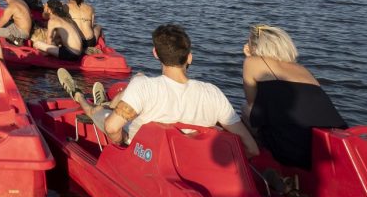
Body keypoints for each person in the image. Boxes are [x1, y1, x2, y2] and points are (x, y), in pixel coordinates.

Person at [58, 24, 259, 158]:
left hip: (145, 155)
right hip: (191, 159)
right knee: (135, 84)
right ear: (189, 57)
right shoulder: (213, 93)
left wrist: (121, 144)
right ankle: (108, 103)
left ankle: (81, 99)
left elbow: (111, 128)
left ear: (156, 54)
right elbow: (251, 148)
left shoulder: (146, 86)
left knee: (101, 112)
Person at [242, 24, 346, 169]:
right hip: (329, 146)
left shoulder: (252, 62)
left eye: (249, 42)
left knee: (246, 110)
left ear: (256, 47)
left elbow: (252, 103)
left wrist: (249, 57)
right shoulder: (302, 69)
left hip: (294, 149)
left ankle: (259, 160)